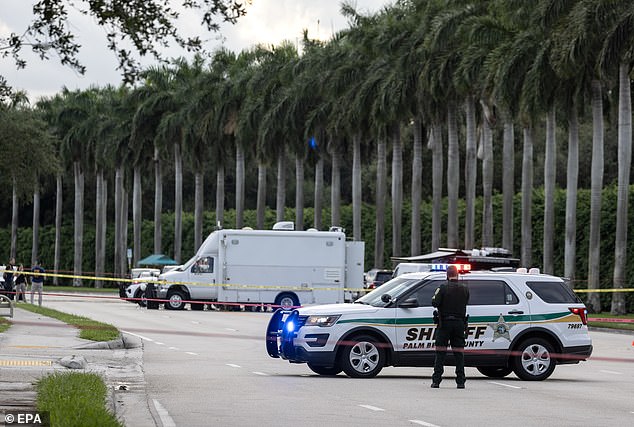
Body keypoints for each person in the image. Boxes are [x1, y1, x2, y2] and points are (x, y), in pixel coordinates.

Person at [431, 265, 470, 389]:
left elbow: (434, 302)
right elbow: (466, 301)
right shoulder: (465, 288)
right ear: (457, 274)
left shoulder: (442, 288)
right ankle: (460, 381)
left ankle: (436, 381)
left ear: (447, 275)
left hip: (445, 324)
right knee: (459, 353)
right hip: (459, 324)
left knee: (440, 352)